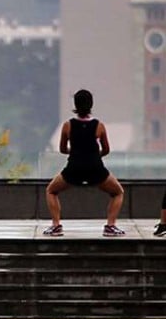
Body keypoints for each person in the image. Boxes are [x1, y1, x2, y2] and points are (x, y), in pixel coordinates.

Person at [44, 89, 125, 237]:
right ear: (91, 104)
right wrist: (93, 155)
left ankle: (56, 226)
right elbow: (106, 150)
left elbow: (62, 149)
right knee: (118, 192)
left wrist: (76, 153)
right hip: (95, 168)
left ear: (75, 104)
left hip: (74, 168)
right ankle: (110, 226)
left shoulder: (68, 125)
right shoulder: (99, 125)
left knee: (51, 191)